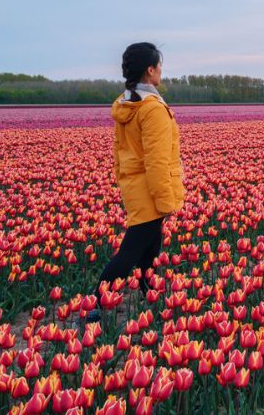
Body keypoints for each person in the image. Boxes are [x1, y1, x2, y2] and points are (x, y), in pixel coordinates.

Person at [87, 42, 185, 323]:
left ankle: (149, 293)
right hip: (150, 189)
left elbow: (121, 150)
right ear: (150, 70)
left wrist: (125, 179)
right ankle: (95, 304)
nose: (162, 72)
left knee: (151, 247)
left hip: (135, 186)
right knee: (130, 252)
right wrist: (164, 199)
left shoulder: (128, 103)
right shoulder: (152, 109)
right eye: (160, 67)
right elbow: (156, 160)